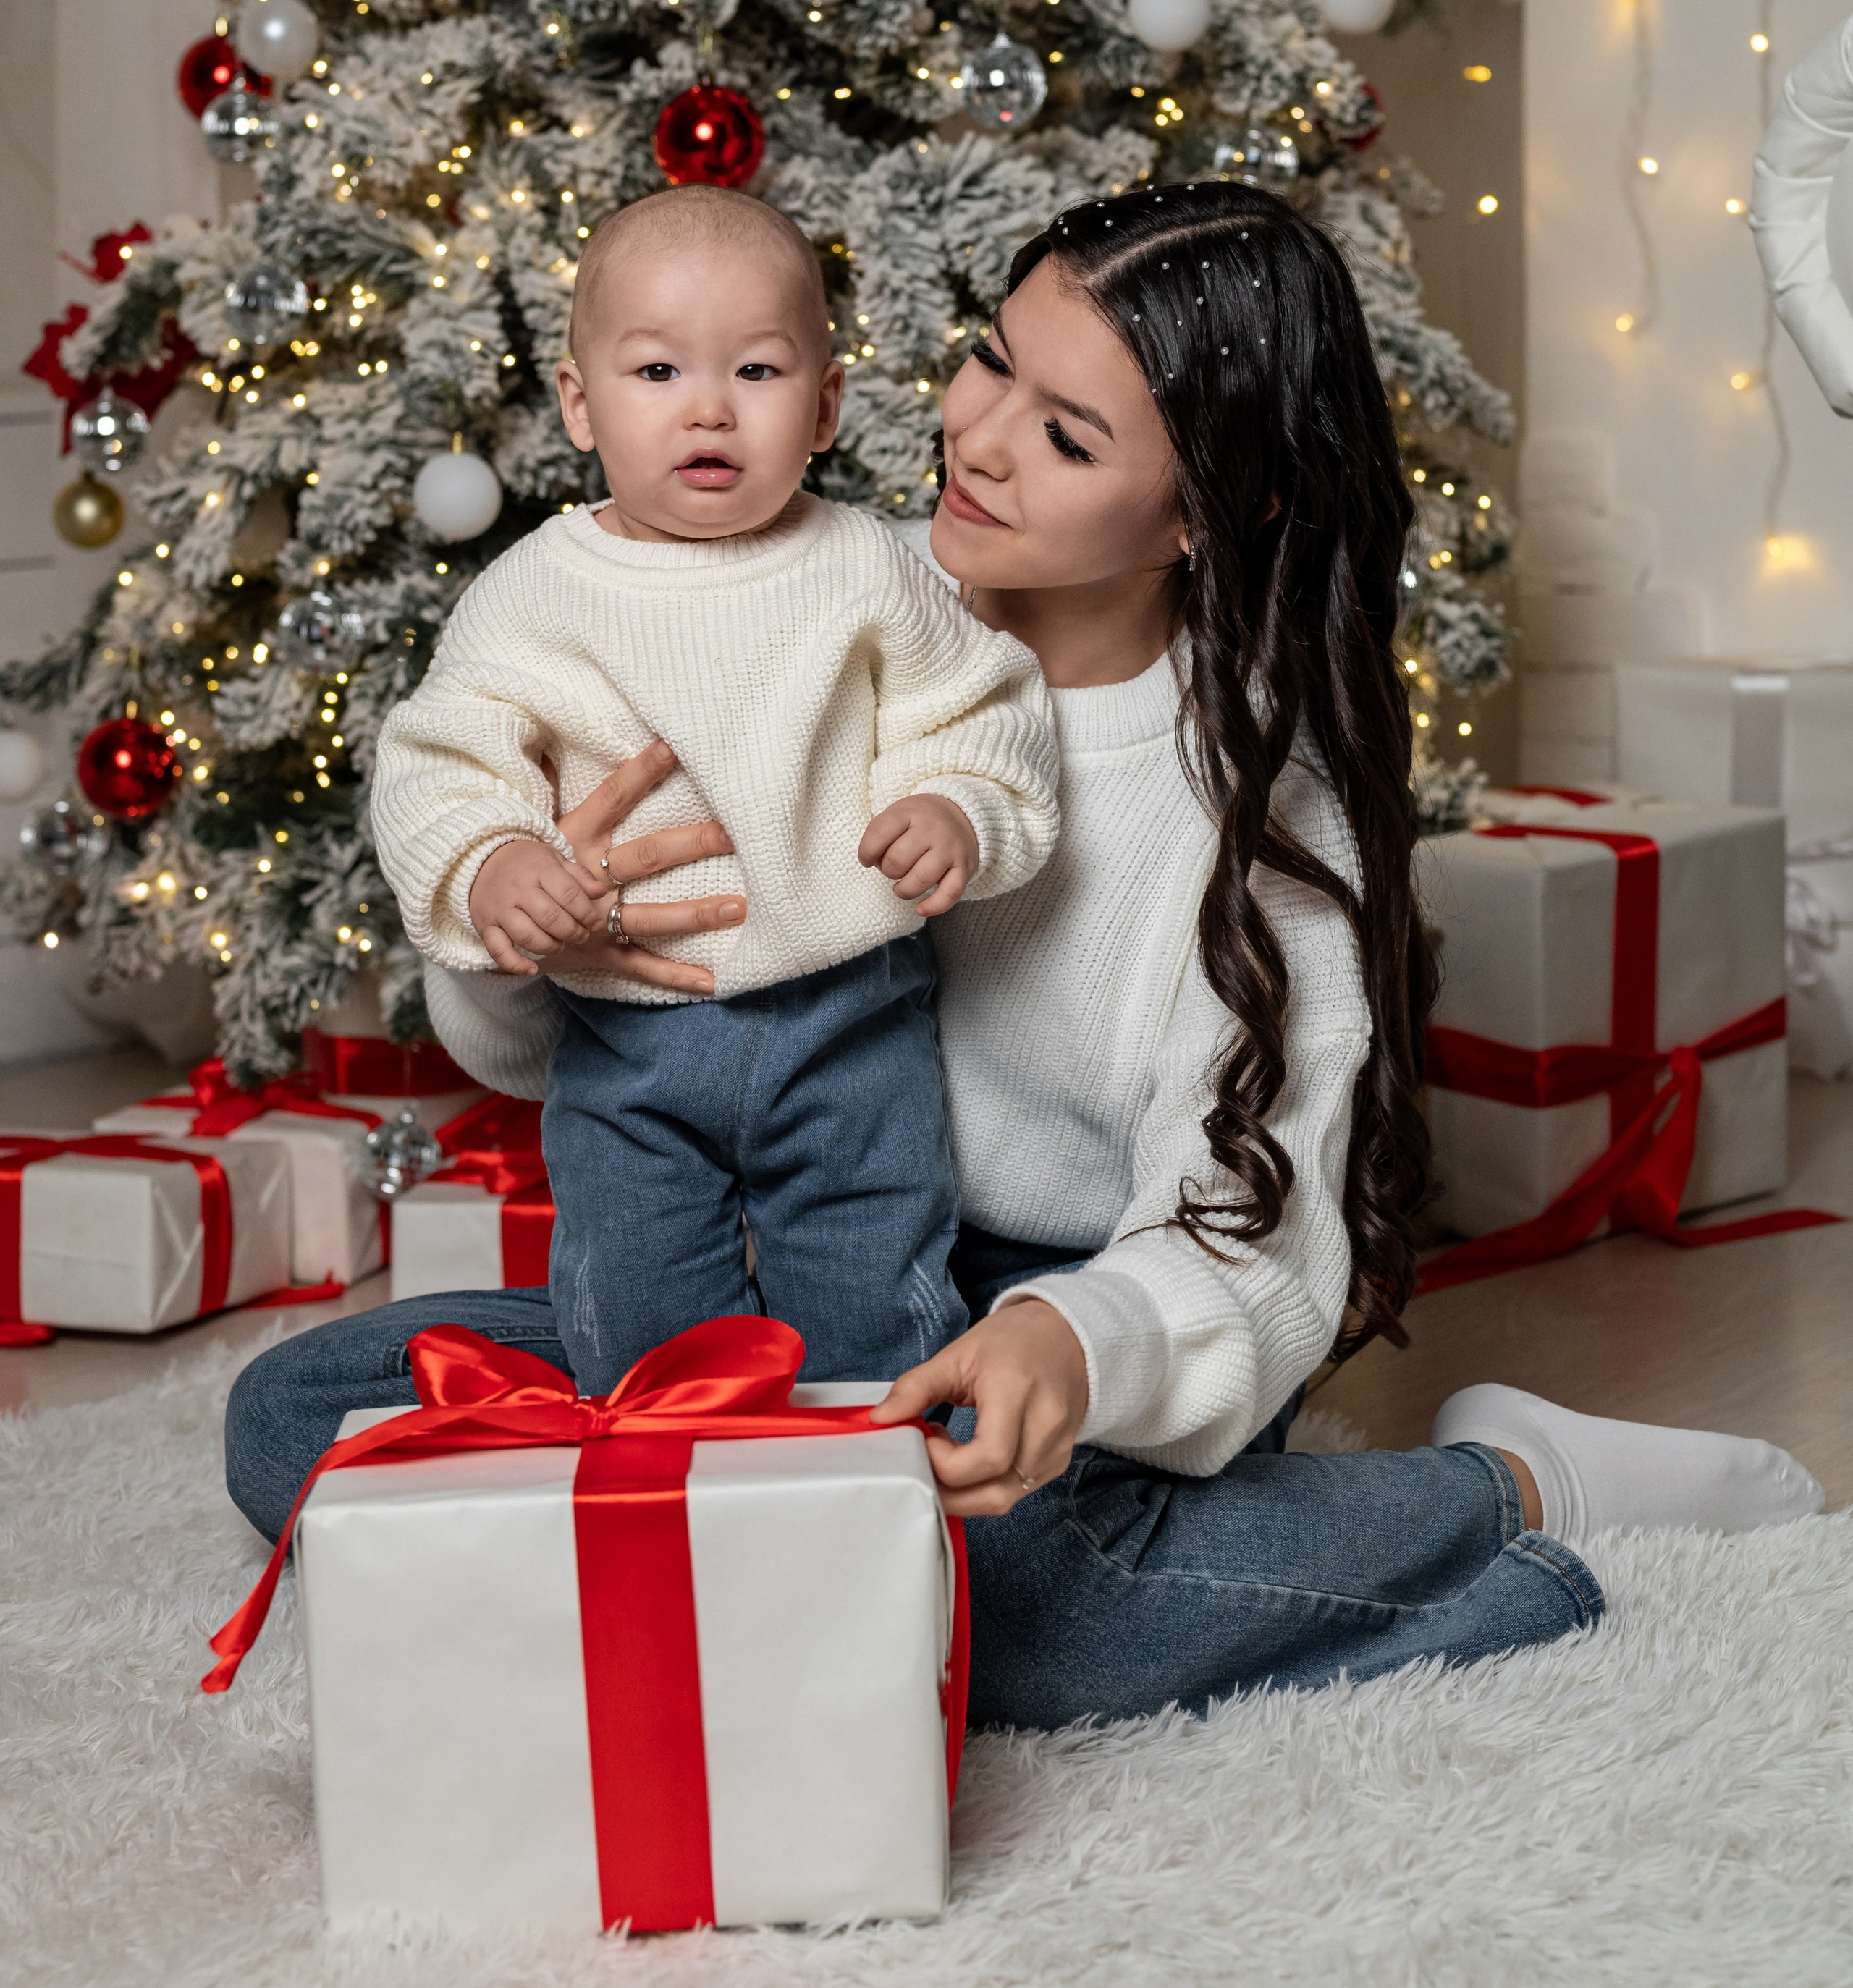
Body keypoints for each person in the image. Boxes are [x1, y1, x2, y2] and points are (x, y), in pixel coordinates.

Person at [226, 183, 1823, 1728]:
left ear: (1200, 510)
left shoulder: (1259, 827)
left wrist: (1075, 1340)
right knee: (312, 1416)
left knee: (987, 1582)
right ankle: (736, 1562)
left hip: (1091, 1303)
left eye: (1065, 435)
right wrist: (535, 929)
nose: (978, 440)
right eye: (991, 359)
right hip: (790, 1269)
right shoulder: (814, 591)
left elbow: (1252, 1247)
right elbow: (544, 1052)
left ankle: (1500, 1491)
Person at [367, 183, 1058, 1394]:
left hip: (851, 1021)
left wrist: (959, 807)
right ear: (579, 403)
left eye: (756, 370)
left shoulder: (866, 565)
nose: (708, 408)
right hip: (626, 1035)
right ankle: (678, 1465)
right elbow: (441, 756)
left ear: (825, 404)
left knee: (877, 1296)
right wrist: (491, 861)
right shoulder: (532, 593)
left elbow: (977, 706)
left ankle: (879, 1467)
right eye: (655, 372)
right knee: (637, 1320)